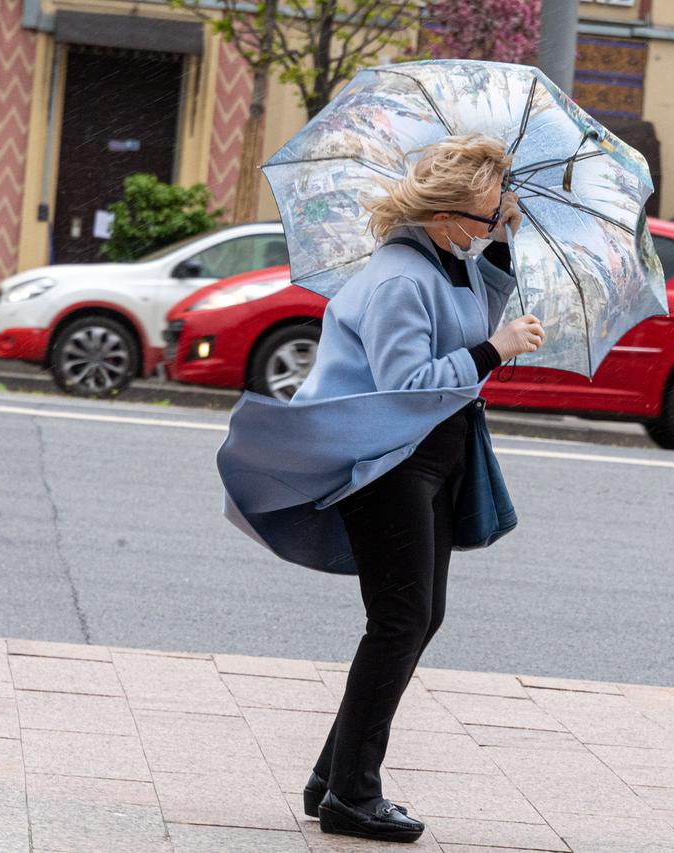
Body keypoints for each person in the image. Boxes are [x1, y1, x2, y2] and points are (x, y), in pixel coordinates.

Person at [215, 133, 544, 843]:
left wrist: (501, 248)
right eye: (489, 214)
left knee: (418, 617)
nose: (495, 222)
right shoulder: (401, 275)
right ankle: (353, 796)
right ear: (450, 212)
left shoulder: (446, 263)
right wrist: (498, 349)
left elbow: (468, 318)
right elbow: (407, 385)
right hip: (387, 461)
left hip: (429, 460)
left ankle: (332, 774)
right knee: (399, 620)